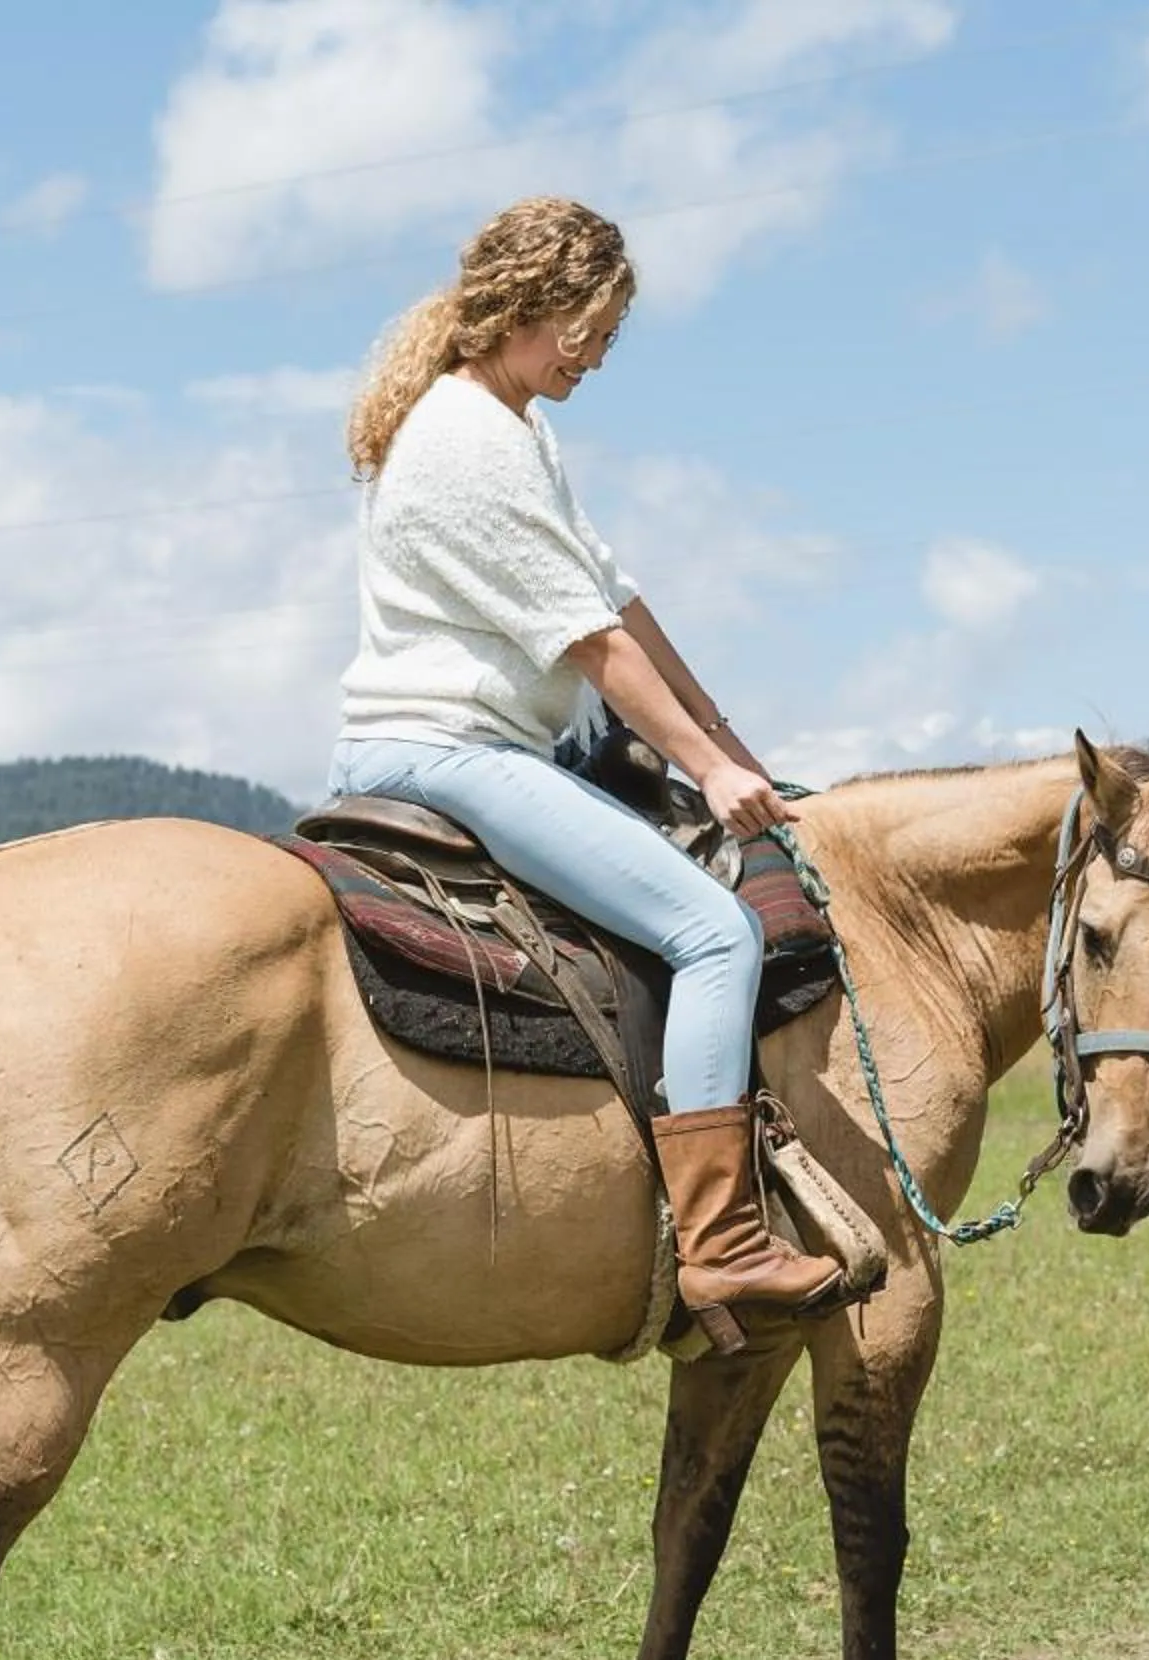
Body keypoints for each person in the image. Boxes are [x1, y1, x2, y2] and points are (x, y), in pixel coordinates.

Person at [328, 195, 843, 1327]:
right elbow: (594, 645)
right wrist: (706, 772)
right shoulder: (467, 441)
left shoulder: (518, 429)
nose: (598, 359)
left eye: (609, 338)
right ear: (531, 306)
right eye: (589, 333)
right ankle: (722, 1245)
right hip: (450, 747)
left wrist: (729, 741)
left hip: (476, 742)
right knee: (717, 933)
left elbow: (621, 600)